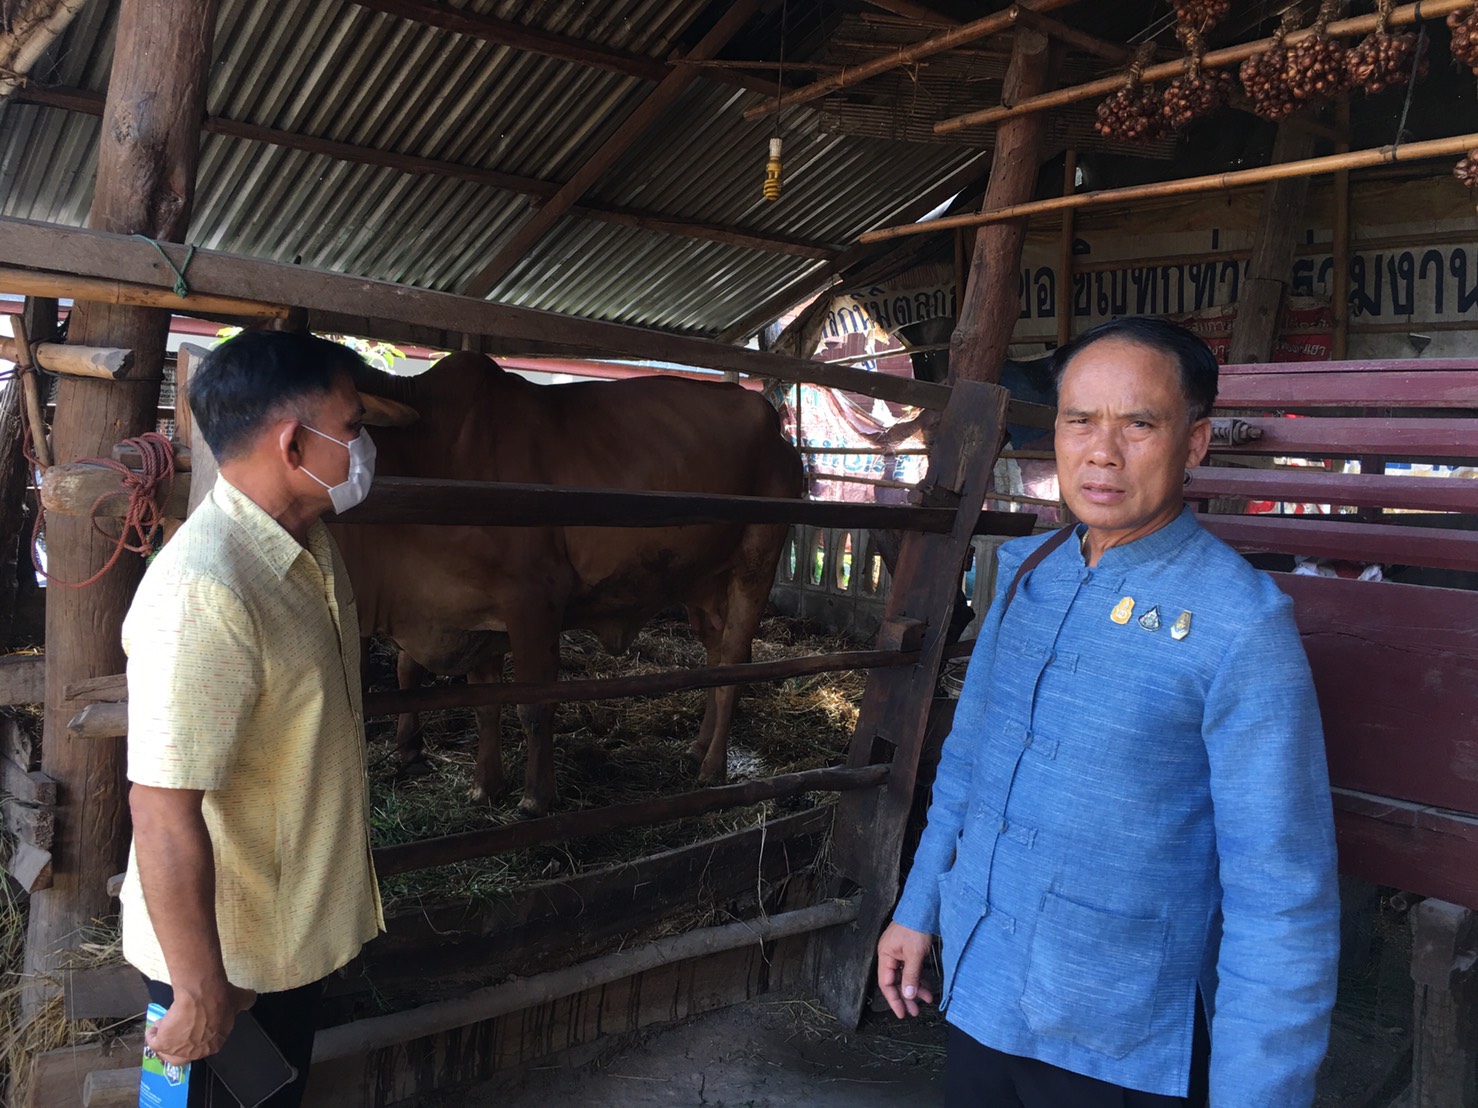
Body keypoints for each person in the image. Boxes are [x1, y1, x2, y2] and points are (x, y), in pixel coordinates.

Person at [877, 317, 1340, 1107]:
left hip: (1118, 1031)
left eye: (1139, 424)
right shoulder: (1028, 572)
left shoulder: (1240, 624)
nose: (1102, 451)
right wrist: (917, 908)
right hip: (985, 986)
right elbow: (969, 763)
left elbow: (1282, 898)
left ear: (1193, 444)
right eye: (1079, 419)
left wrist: (1259, 1093)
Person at [119, 329, 384, 1105]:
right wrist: (199, 992)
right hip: (220, 961)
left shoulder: (307, 546)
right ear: (296, 442)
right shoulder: (208, 590)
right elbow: (161, 808)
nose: (364, 446)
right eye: (355, 425)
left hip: (279, 936)